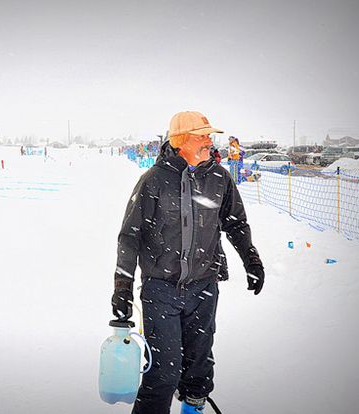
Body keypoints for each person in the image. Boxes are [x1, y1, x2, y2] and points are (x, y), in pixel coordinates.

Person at [111, 111, 264, 414]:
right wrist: (122, 287)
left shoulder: (220, 177)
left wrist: (251, 259)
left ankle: (192, 409)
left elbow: (235, 223)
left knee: (199, 371)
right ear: (182, 141)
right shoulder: (153, 180)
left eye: (209, 135)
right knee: (163, 374)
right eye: (203, 135)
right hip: (160, 290)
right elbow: (130, 236)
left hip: (203, 288)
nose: (210, 141)